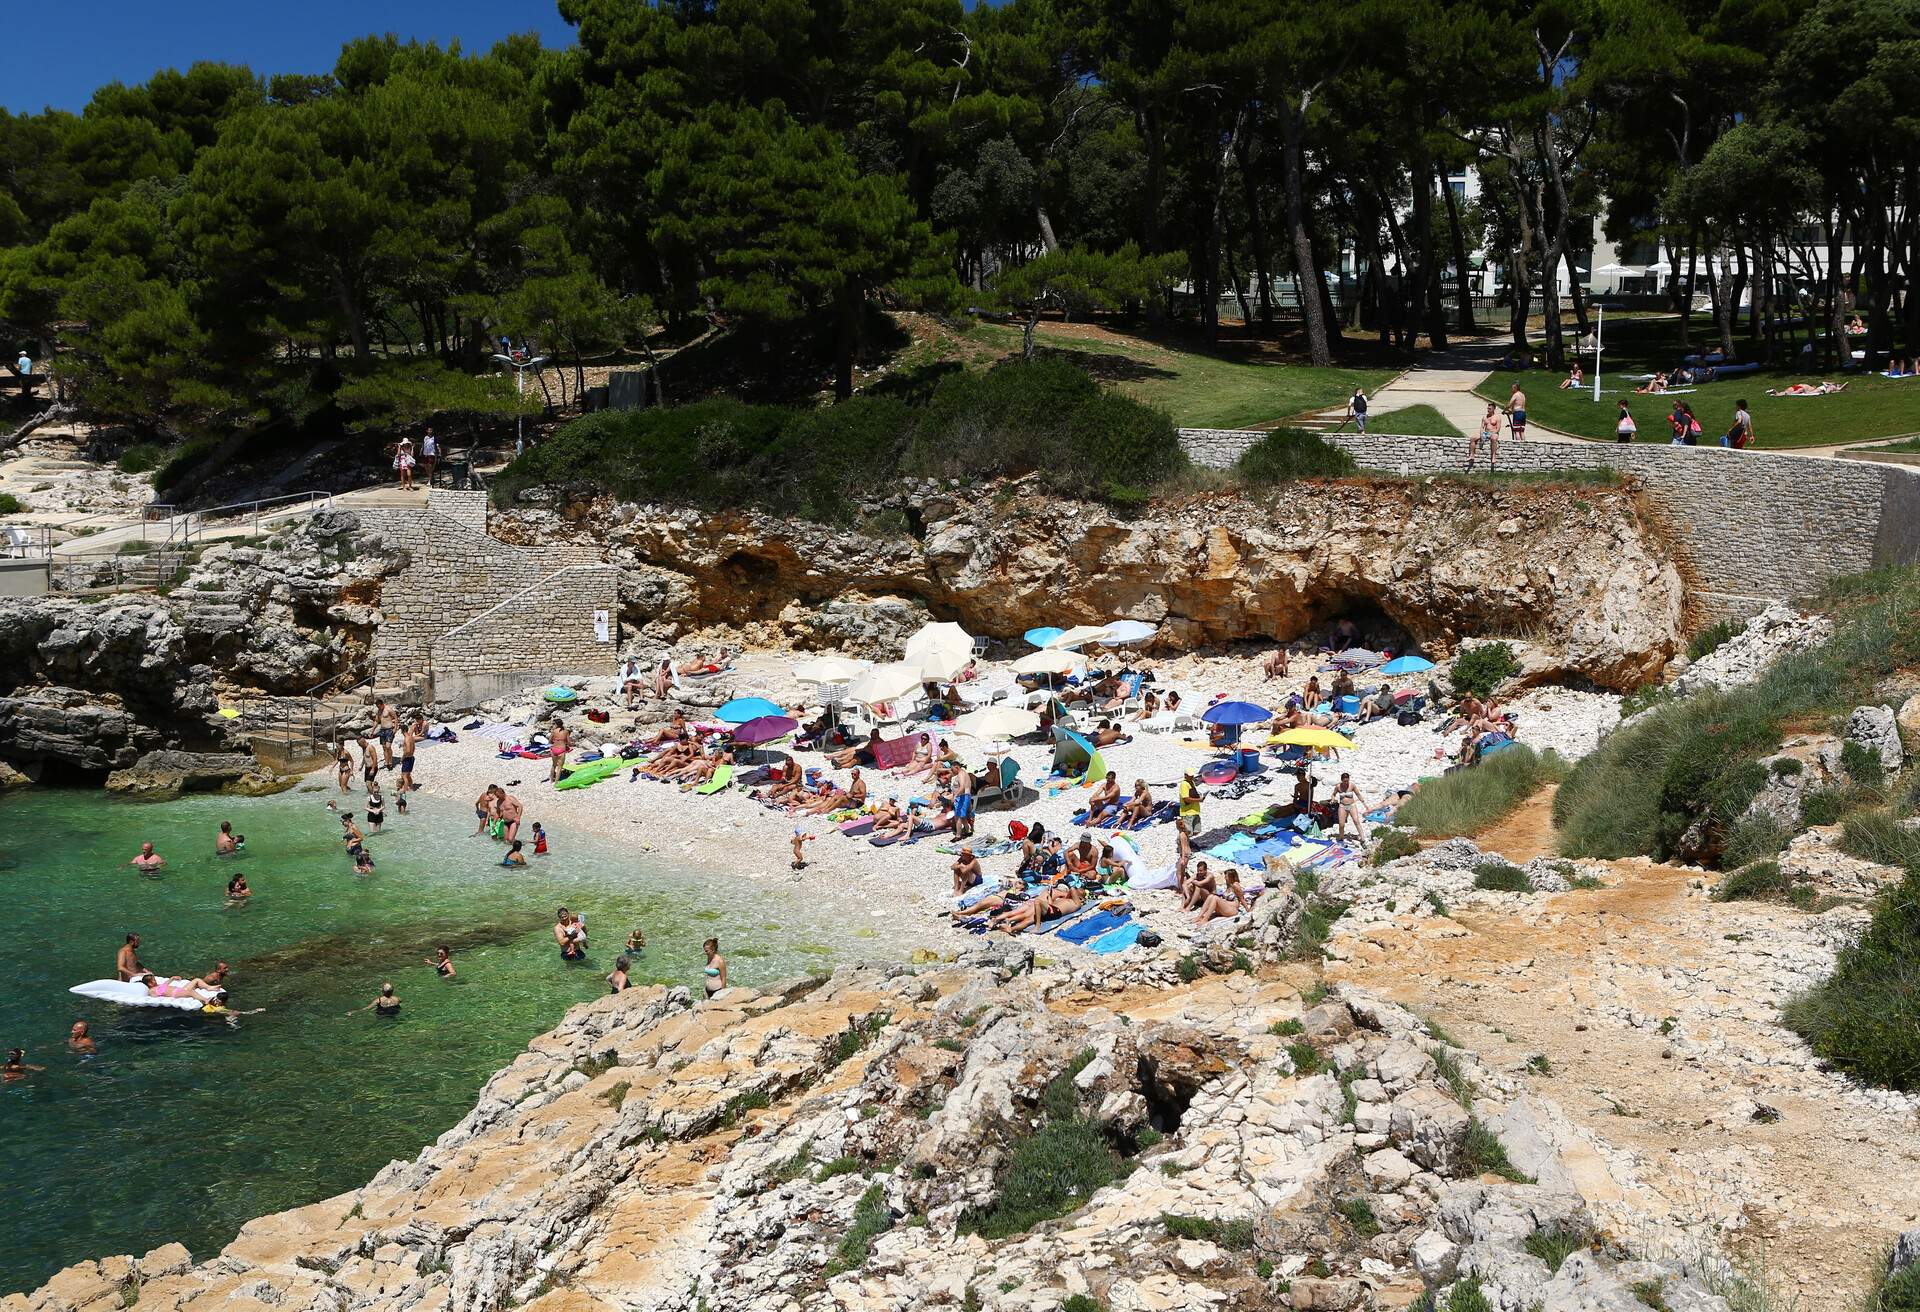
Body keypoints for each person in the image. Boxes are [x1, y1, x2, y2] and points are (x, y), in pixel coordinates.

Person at [1196, 867, 1261, 926]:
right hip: (1226, 907)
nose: (1225, 878)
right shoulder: (1229, 885)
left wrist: (1248, 910)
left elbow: (1242, 899)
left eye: (1226, 876)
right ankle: (1199, 916)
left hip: (1232, 910)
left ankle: (1205, 919)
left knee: (1215, 898)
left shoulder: (1235, 885)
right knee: (1211, 896)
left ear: (1231, 877)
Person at [1332, 772, 1369, 841]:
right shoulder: (1338, 786)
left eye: (1347, 781)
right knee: (1341, 824)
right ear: (1342, 780)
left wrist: (1364, 804)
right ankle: (1341, 837)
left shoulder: (1352, 785)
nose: (1346, 782)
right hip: (1342, 806)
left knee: (1356, 821)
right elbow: (1333, 794)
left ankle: (1362, 837)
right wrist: (1333, 799)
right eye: (1344, 781)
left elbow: (1358, 794)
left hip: (1351, 805)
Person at [1468, 402, 1501, 471]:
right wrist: (1481, 434)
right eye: (1488, 408)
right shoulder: (1485, 417)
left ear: (1494, 409)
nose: (1488, 410)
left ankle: (1493, 456)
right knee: (1472, 438)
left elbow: (1498, 428)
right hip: (1485, 433)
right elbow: (1482, 427)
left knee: (1494, 438)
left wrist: (1492, 433)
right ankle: (1472, 455)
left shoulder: (1497, 417)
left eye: (1490, 408)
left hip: (1493, 433)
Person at [398, 715, 423, 794]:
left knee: (404, 775)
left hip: (408, 758)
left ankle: (405, 790)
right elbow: (412, 747)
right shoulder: (411, 737)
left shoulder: (406, 738)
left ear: (402, 731)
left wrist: (403, 757)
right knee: (408, 774)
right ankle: (411, 787)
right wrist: (403, 745)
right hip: (411, 757)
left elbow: (408, 750)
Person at [548, 720, 572, 784]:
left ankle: (551, 780)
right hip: (561, 750)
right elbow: (569, 743)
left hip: (554, 749)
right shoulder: (566, 732)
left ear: (556, 724)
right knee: (559, 767)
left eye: (554, 724)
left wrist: (555, 741)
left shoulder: (554, 731)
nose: (553, 725)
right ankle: (556, 782)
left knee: (554, 765)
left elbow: (549, 741)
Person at [1179, 769, 1201, 835]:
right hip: (1187, 812)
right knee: (1187, 832)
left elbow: (1192, 794)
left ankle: (1191, 843)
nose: (1191, 777)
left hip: (1195, 810)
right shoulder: (1184, 785)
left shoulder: (1192, 783)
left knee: (1196, 830)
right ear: (1185, 775)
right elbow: (1186, 799)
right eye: (1190, 776)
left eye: (1192, 776)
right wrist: (1199, 800)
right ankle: (1185, 843)